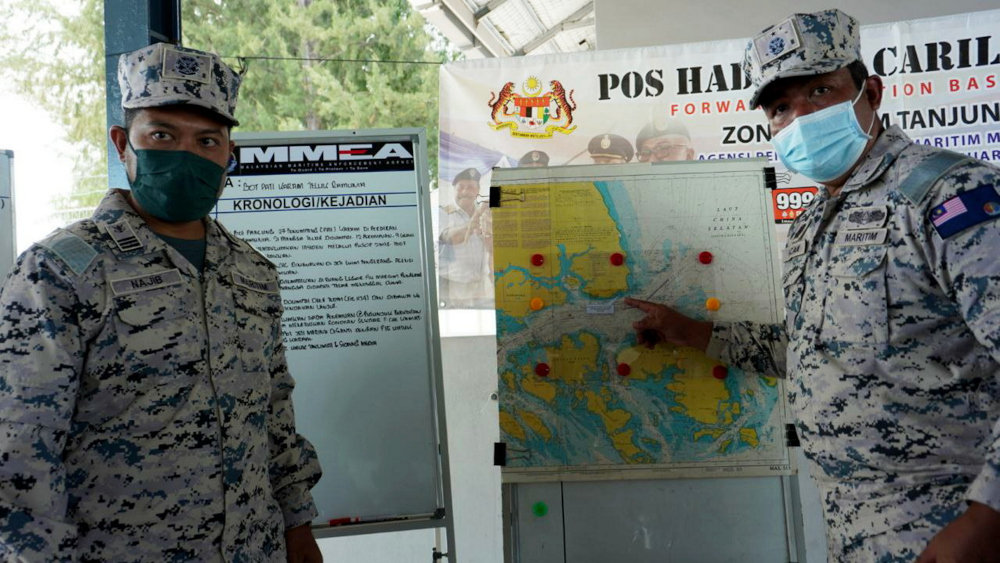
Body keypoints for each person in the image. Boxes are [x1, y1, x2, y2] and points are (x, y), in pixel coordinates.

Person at [626, 9, 1000, 562]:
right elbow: (815, 353)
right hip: (852, 526)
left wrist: (986, 519)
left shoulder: (949, 194)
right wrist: (697, 333)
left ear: (871, 92)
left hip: (951, 526)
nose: (800, 117)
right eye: (781, 108)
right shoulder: (810, 223)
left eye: (820, 92)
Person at [0, 43, 323, 562]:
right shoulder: (60, 270)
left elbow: (275, 414)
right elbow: (19, 447)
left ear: (228, 158)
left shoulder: (253, 272)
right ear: (123, 143)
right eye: (162, 135)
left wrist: (297, 526)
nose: (186, 155)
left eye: (208, 141)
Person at [439, 167, 492, 307]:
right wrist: (478, 215)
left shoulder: (487, 215)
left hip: (479, 285)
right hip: (453, 285)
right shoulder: (443, 213)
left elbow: (491, 248)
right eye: (460, 187)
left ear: (478, 190)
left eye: (470, 187)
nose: (465, 192)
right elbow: (452, 238)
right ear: (454, 189)